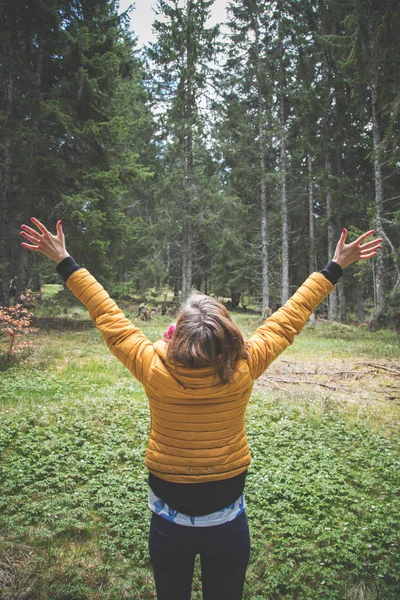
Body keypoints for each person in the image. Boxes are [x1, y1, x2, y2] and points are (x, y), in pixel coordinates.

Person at [20, 218, 382, 600]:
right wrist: (334, 267)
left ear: (175, 333)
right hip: (228, 519)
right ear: (228, 335)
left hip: (167, 520)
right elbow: (288, 319)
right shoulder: (245, 365)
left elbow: (108, 316)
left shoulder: (152, 367)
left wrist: (64, 260)